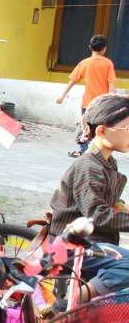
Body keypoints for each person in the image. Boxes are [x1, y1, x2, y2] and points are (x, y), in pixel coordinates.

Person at [48, 93, 129, 301]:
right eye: (127, 128)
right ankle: (72, 302)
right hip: (74, 246)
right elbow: (97, 215)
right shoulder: (88, 167)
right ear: (101, 130)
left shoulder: (107, 162)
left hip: (95, 243)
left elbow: (109, 202)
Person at [55, 34, 116, 157]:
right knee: (101, 128)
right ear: (104, 49)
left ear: (90, 47)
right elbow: (111, 83)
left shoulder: (84, 63)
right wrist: (113, 100)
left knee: (86, 127)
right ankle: (100, 152)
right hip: (103, 104)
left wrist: (61, 96)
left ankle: (84, 151)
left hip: (87, 103)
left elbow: (72, 81)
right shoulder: (108, 64)